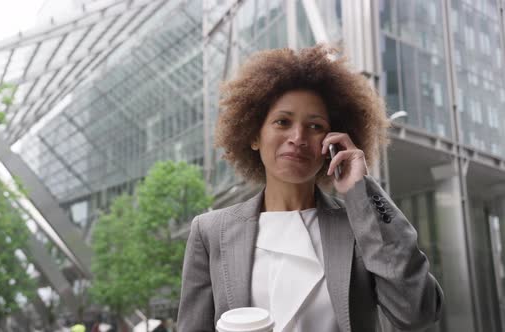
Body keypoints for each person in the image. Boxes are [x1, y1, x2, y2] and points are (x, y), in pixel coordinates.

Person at [176, 45, 444, 332]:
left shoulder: (360, 225)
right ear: (254, 135)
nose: (298, 137)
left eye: (315, 126)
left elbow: (417, 312)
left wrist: (361, 191)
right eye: (282, 122)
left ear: (333, 141)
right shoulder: (210, 231)